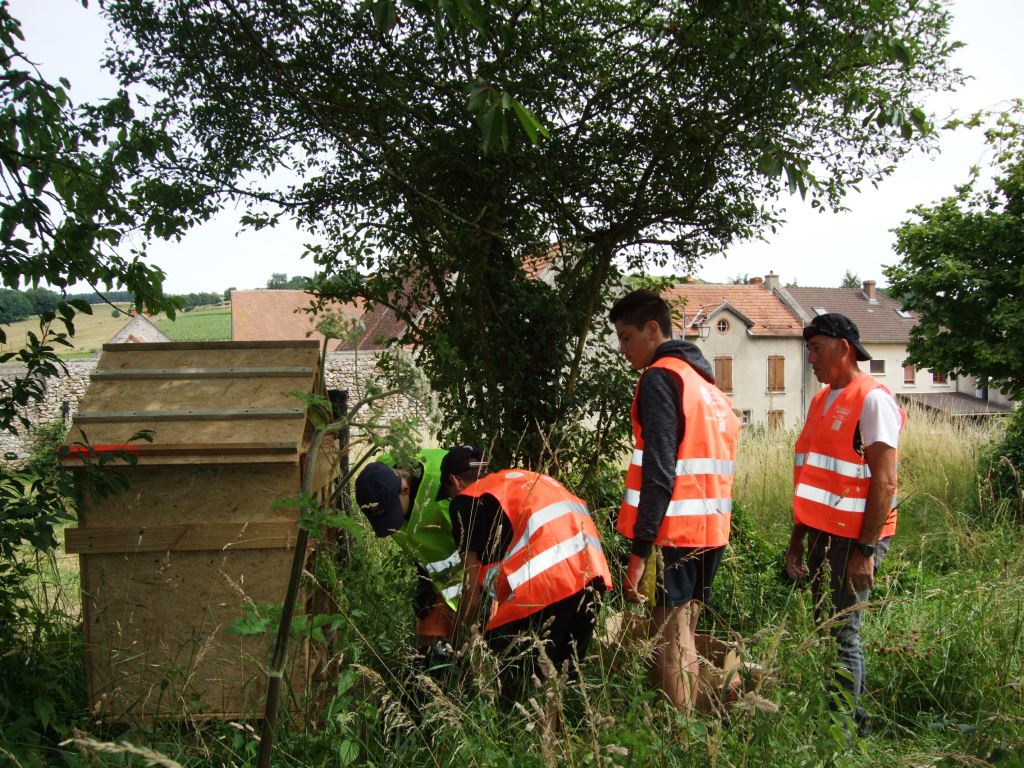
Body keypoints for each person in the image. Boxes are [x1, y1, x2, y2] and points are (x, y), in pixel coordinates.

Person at [608, 289, 740, 711]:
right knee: (686, 628)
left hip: (675, 532)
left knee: (671, 638)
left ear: (652, 329)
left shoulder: (660, 378)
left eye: (626, 337)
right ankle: (697, 726)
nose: (622, 349)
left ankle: (677, 739)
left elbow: (659, 472)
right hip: (712, 529)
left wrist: (639, 553)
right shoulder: (706, 386)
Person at [785, 312, 905, 735]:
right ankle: (851, 719)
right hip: (821, 532)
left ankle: (842, 732)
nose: (810, 358)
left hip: (855, 538)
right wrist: (797, 541)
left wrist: (865, 551)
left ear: (844, 347)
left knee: (843, 631)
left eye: (816, 348)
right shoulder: (821, 400)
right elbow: (811, 477)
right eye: (809, 349)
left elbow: (886, 481)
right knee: (827, 627)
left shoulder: (872, 399)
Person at [448, 469, 611, 695]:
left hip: (552, 576)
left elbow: (471, 594)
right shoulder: (516, 483)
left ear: (455, 481)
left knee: (519, 677)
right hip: (594, 570)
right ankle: (551, 729)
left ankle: (503, 720)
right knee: (558, 678)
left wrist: (457, 643)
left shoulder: (465, 503)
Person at [354, 445, 487, 657]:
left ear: (405, 490)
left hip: (468, 566)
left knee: (472, 632)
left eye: (393, 515)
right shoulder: (381, 476)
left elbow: (479, 547)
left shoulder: (445, 493)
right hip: (431, 568)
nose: (392, 527)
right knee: (427, 643)